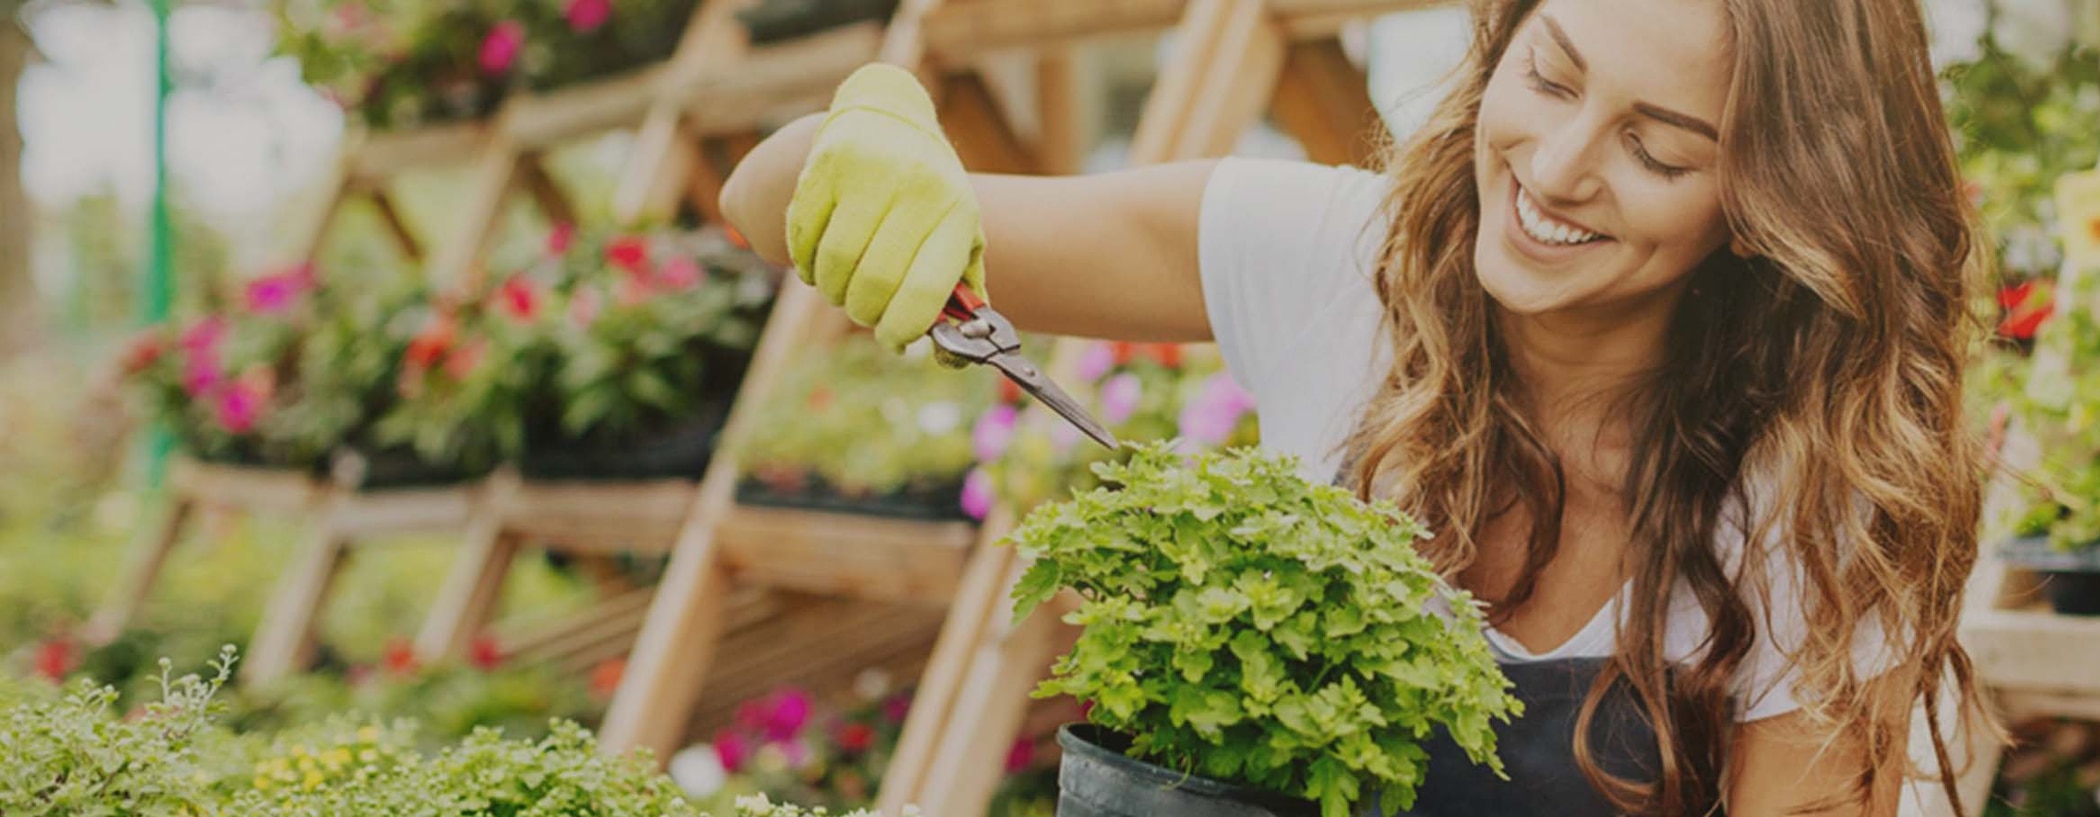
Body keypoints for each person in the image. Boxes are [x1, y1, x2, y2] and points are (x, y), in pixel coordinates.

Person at [720, 0, 1991, 812]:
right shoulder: (1340, 259)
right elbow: (769, 202)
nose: (1555, 172)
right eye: (1549, 80)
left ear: (1769, 206)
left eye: (1656, 151)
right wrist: (869, 142)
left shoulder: (1809, 488)